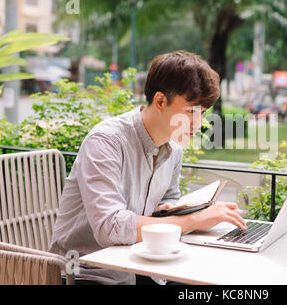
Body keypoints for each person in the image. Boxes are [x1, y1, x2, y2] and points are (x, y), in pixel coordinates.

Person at [49, 50, 247, 285]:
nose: (199, 123)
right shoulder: (105, 141)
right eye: (191, 112)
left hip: (141, 264)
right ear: (161, 101)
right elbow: (109, 227)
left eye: (202, 113)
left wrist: (176, 210)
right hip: (87, 273)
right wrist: (192, 221)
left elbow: (170, 196)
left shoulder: (174, 147)